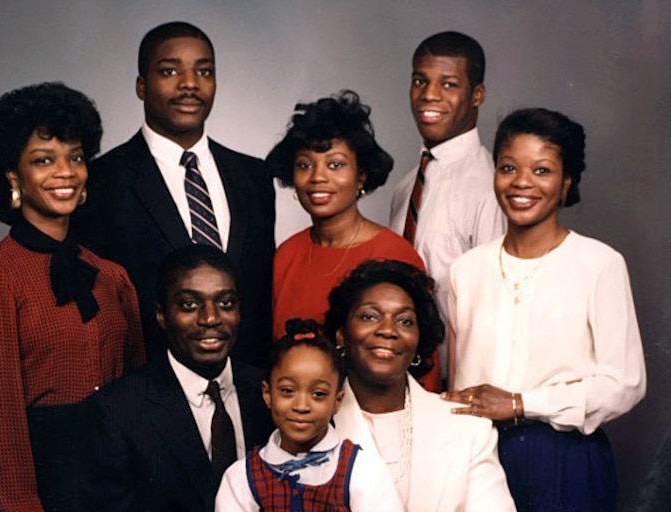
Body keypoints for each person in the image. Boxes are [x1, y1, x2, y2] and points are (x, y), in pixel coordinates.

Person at [0, 82, 145, 512]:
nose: (65, 172)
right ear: (13, 176)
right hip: (44, 493)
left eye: (75, 157)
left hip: (121, 494)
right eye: (43, 160)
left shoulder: (112, 277)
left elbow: (140, 403)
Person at [445, 108, 646, 511]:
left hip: (565, 457)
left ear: (566, 180)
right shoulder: (466, 270)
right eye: (508, 167)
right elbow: (459, 382)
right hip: (478, 455)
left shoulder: (600, 263)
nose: (521, 182)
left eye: (542, 170)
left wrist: (521, 403)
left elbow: (626, 384)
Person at [74, 21, 275, 366]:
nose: (189, 84)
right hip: (144, 392)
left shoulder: (253, 176)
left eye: (204, 71)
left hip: (246, 391)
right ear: (141, 86)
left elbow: (258, 300)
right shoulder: (101, 181)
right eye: (169, 71)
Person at [77, 244, 273, 512]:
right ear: (162, 314)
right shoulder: (117, 412)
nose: (211, 318)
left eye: (225, 303)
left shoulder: (269, 392)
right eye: (189, 304)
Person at [267, 90, 440, 391]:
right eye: (305, 165)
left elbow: (425, 363)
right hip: (300, 424)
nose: (317, 177)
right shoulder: (287, 255)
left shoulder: (393, 253)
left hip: (379, 423)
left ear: (361, 176)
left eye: (335, 165)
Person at [328, 259, 515, 512]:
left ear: (418, 340)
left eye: (404, 321)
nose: (388, 330)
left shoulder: (468, 428)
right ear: (341, 335)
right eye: (369, 316)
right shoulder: (313, 422)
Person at [389, 31, 505, 384]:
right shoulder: (406, 187)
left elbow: (493, 312)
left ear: (477, 95)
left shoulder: (490, 187)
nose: (429, 95)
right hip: (400, 383)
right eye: (420, 80)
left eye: (449, 84)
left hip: (456, 387)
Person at [216, 319, 404, 512]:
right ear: (267, 393)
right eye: (288, 391)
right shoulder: (243, 478)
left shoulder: (362, 470)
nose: (301, 406)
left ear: (337, 400)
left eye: (318, 394)